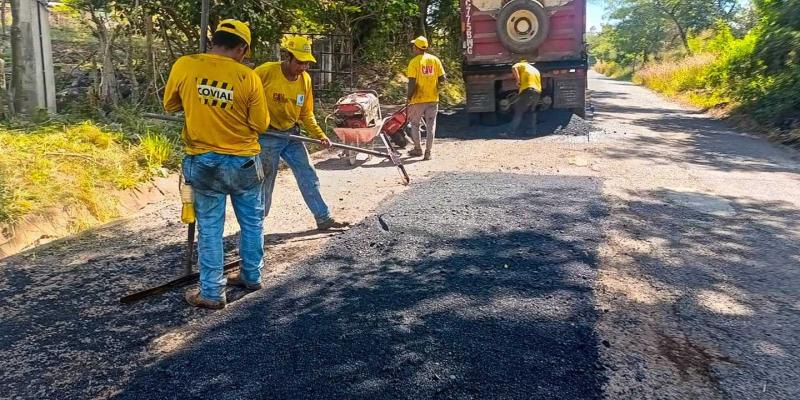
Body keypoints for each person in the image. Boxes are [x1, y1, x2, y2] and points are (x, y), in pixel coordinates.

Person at [163, 19, 269, 309]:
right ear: (242, 49)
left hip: (203, 160)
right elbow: (261, 123)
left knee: (210, 226)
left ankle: (211, 292)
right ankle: (251, 275)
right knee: (252, 221)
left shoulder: (186, 64)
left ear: (215, 41)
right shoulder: (248, 77)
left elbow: (170, 105)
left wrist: (200, 103)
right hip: (244, 161)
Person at [254, 35, 349, 231]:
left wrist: (319, 135)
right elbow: (244, 93)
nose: (303, 67)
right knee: (265, 182)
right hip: (268, 135)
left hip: (292, 135)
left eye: (306, 63)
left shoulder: (305, 80)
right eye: (299, 62)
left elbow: (306, 112)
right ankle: (255, 226)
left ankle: (324, 218)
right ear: (288, 57)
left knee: (308, 174)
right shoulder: (265, 72)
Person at [406, 36, 446, 160]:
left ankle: (418, 149)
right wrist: (436, 88)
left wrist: (409, 97)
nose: (412, 48)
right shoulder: (435, 60)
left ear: (417, 48)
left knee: (415, 124)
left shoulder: (414, 62)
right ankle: (428, 152)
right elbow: (442, 79)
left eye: (413, 46)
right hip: (433, 98)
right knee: (431, 125)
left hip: (418, 99)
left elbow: (412, 82)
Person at [510, 59, 542, 136]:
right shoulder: (535, 69)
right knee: (531, 111)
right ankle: (531, 131)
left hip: (528, 90)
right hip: (537, 92)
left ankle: (510, 132)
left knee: (519, 111)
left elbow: (514, 68)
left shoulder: (520, 64)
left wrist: (518, 81)